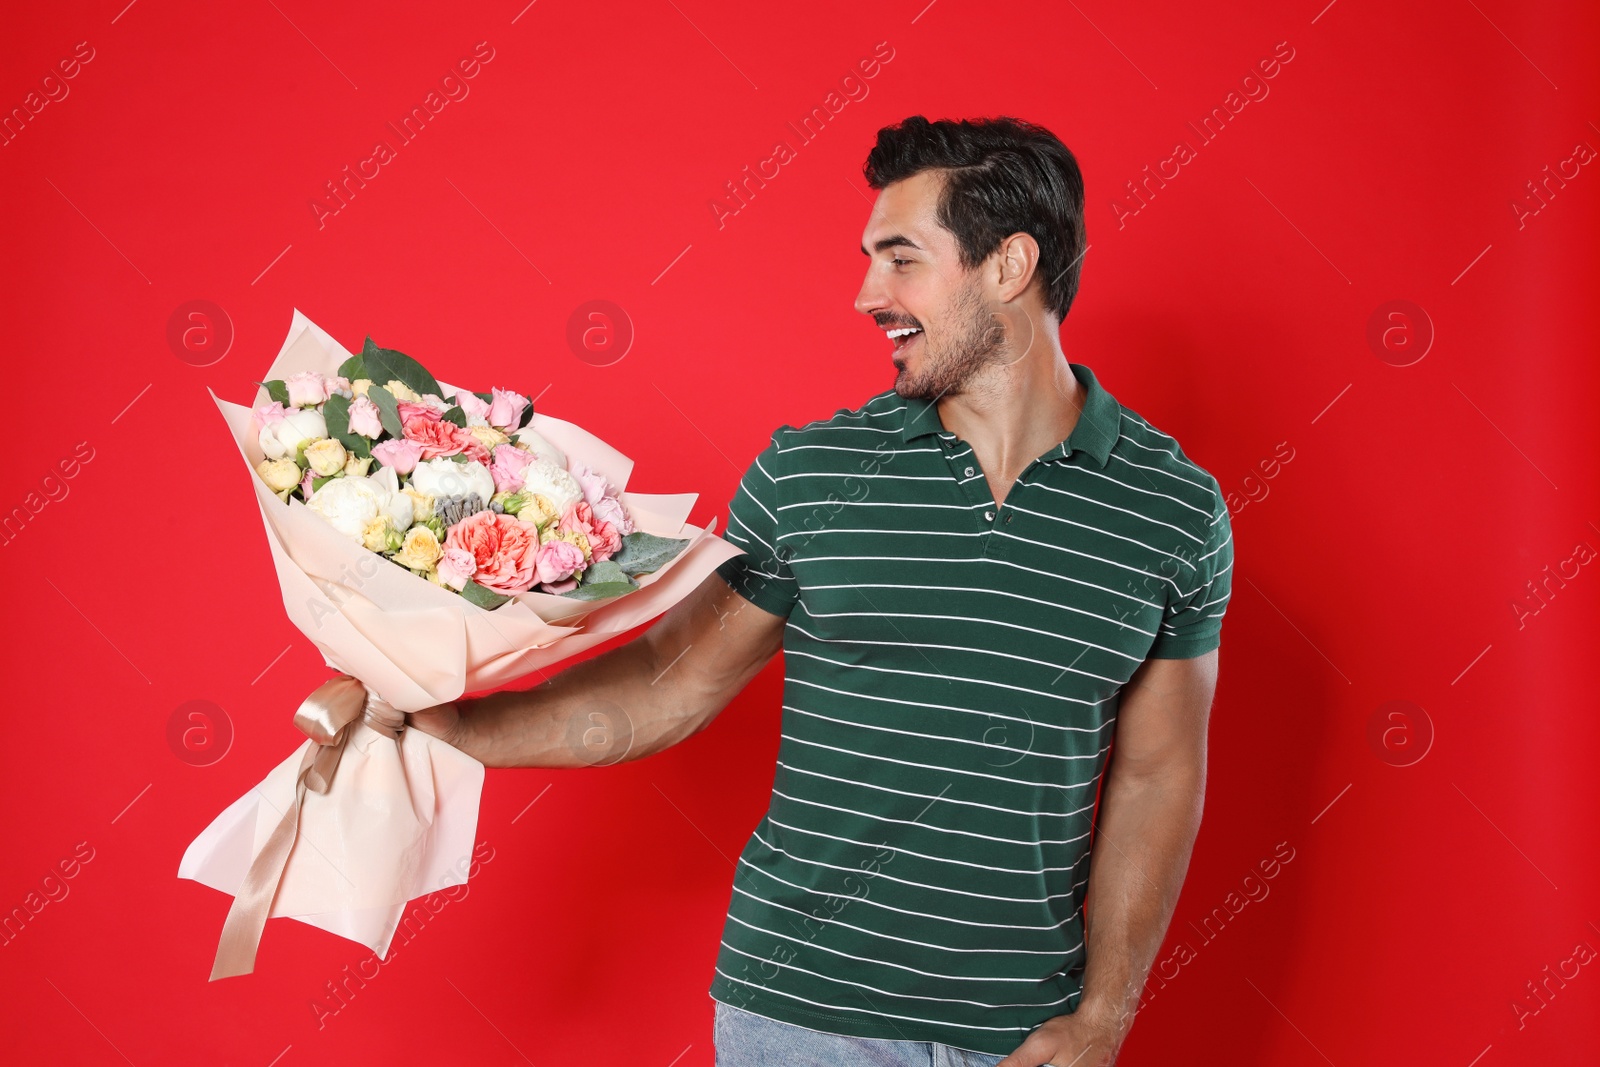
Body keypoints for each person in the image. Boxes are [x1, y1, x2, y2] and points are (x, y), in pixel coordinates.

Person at [409, 114, 1234, 1067]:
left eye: (901, 259)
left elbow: (1159, 772)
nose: (864, 295)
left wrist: (1107, 1014)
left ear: (1010, 266)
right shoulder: (811, 474)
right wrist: (459, 729)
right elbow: (667, 684)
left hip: (1025, 1038)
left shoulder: (1172, 508)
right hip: (799, 1024)